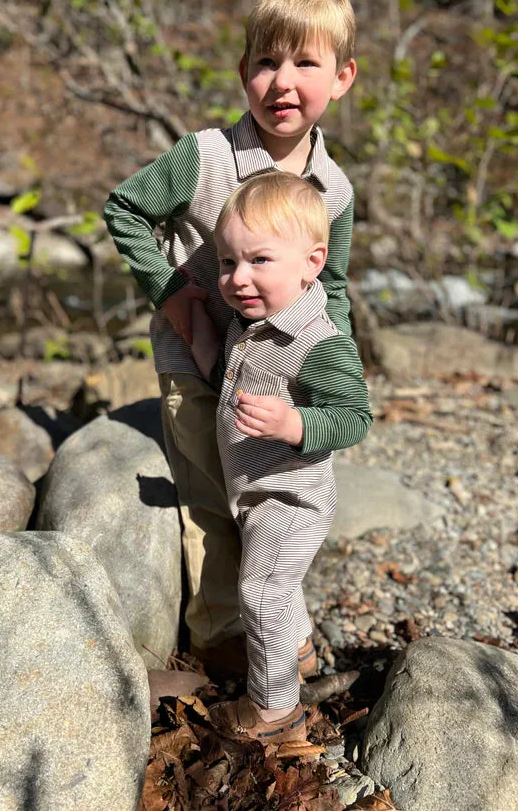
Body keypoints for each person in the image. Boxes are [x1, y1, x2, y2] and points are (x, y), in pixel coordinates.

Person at [103, 0, 358, 677]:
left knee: (277, 497)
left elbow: (329, 286)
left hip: (277, 373)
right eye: (267, 62)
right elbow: (125, 208)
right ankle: (221, 642)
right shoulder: (207, 156)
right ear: (244, 72)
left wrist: (333, 374)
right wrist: (172, 296)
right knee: (212, 499)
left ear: (341, 77)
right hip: (198, 360)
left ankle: (277, 626)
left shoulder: (335, 191)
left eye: (306, 63)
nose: (284, 81)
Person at [187, 171, 371, 743]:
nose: (237, 279)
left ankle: (276, 712)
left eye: (258, 261)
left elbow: (355, 416)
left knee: (262, 589)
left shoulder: (318, 341)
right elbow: (236, 375)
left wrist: (294, 423)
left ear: (312, 263)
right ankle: (301, 653)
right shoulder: (253, 322)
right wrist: (199, 339)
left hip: (292, 496)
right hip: (256, 492)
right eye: (226, 263)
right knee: (278, 585)